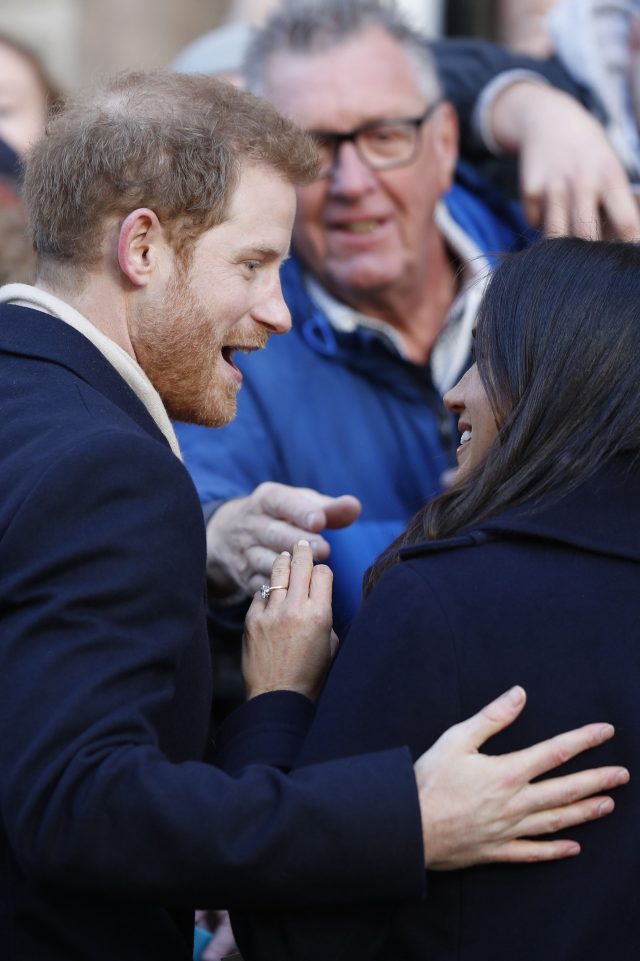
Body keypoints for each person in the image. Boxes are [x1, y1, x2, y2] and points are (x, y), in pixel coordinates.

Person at [0, 69, 624, 961]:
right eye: (252, 264)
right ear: (141, 249)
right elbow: (76, 806)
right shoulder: (110, 469)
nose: (280, 312)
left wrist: (214, 578)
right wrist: (408, 818)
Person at [232, 237, 640, 961]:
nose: (455, 391)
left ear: (557, 379)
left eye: (487, 356)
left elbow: (290, 935)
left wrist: (279, 700)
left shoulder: (440, 602)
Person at [175, 0, 538, 652]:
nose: (351, 181)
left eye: (384, 135)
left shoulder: (552, 263)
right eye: (311, 149)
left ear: (445, 140)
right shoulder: (232, 336)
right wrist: (223, 534)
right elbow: (200, 515)